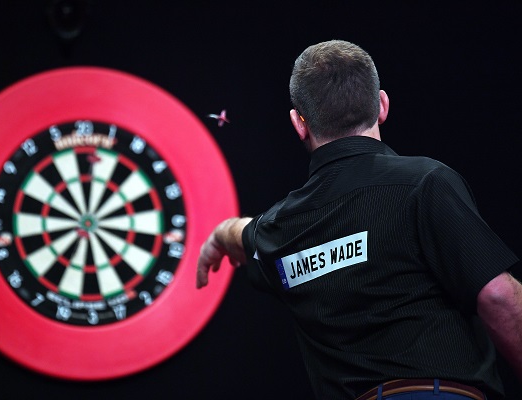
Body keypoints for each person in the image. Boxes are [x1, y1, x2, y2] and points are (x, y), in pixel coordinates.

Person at [196, 40, 522, 400]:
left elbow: (242, 234)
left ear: (299, 124)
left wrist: (216, 237)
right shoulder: (425, 183)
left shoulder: (279, 230)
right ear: (381, 105)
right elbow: (496, 295)